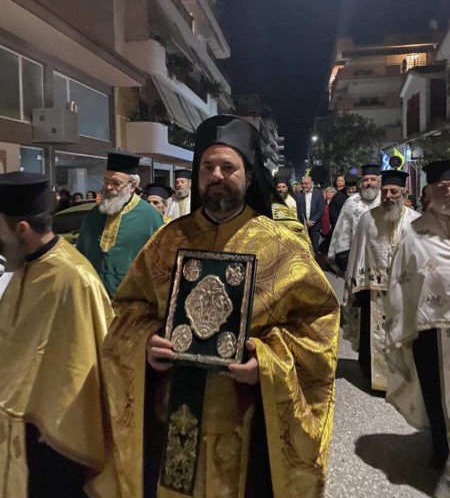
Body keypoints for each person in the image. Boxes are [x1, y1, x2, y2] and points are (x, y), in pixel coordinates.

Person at [101, 115, 340, 498]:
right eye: (207, 167)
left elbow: (319, 323)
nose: (216, 175)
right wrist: (145, 341)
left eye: (228, 167)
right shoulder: (167, 240)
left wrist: (267, 363)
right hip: (174, 413)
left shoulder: (282, 247)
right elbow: (128, 307)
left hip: (246, 421)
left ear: (249, 175)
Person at [0, 172, 116, 498]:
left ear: (22, 229)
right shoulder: (23, 266)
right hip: (18, 427)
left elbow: (86, 366)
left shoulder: (75, 279)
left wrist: (50, 418)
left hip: (55, 438)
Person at [385, 160, 450, 472]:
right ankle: (441, 445)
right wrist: (399, 324)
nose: (447, 192)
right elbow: (400, 281)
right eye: (441, 187)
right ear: (428, 193)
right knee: (435, 391)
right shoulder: (414, 232)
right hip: (429, 329)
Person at [343, 170, 420, 390]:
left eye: (393, 191)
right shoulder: (367, 219)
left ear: (403, 192)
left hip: (405, 290)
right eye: (385, 191)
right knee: (372, 335)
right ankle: (374, 378)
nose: (388, 196)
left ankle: (402, 380)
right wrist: (354, 285)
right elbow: (357, 253)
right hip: (373, 291)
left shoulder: (415, 220)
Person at [77, 151, 163, 297]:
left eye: (116, 183)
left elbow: (160, 269)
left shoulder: (150, 218)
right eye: (106, 181)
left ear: (133, 186)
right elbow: (81, 260)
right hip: (95, 300)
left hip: (132, 302)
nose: (109, 187)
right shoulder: (92, 216)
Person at [328, 164, 381, 276]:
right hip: (356, 259)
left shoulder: (386, 200)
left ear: (379, 182)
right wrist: (343, 259)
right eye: (366, 180)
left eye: (373, 179)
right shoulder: (351, 202)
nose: (369, 183)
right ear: (361, 183)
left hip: (382, 261)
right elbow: (342, 231)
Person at [296, 175, 325, 255]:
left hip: (315, 226)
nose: (304, 185)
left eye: (306, 183)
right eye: (302, 183)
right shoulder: (297, 195)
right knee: (303, 249)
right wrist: (304, 222)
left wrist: (312, 221)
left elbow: (321, 210)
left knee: (315, 249)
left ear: (312, 183)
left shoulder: (319, 194)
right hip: (302, 226)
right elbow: (297, 210)